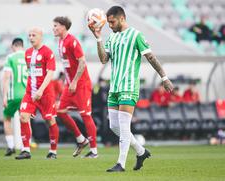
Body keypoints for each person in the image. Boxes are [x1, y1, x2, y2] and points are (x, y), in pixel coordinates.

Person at [89, 6, 173, 172]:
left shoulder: (136, 35)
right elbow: (104, 59)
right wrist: (98, 38)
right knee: (114, 126)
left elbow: (150, 57)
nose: (110, 25)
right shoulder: (112, 38)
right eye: (108, 23)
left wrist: (164, 78)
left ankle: (121, 164)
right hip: (114, 88)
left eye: (112, 22)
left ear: (122, 18)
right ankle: (141, 151)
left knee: (124, 126)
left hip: (129, 86)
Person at [53, 16, 98, 158]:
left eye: (56, 26)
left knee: (85, 115)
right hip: (69, 84)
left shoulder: (72, 41)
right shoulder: (60, 41)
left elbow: (82, 62)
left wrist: (74, 81)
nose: (53, 28)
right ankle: (81, 139)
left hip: (81, 84)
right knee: (60, 111)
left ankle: (94, 151)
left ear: (64, 27)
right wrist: (69, 82)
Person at [15, 27, 59, 160]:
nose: (31, 37)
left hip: (45, 94)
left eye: (34, 35)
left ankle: (53, 151)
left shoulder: (48, 52)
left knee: (50, 120)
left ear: (41, 36)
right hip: (30, 93)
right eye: (29, 35)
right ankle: (26, 150)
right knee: (23, 117)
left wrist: (40, 90)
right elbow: (30, 71)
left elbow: (50, 73)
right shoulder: (27, 53)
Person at [2, 38, 27, 156]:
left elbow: (6, 77)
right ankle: (25, 147)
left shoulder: (11, 57)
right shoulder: (28, 56)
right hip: (26, 95)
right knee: (25, 120)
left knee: (7, 118)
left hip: (13, 95)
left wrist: (4, 96)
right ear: (22, 45)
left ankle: (11, 146)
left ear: (13, 46)